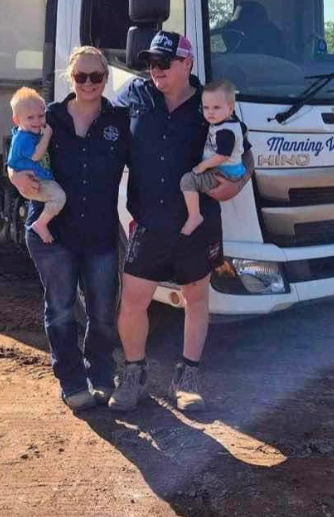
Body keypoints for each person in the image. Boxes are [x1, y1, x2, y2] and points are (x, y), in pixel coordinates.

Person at [108, 31, 253, 413]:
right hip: (149, 222)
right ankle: (134, 376)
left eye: (163, 63)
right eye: (151, 63)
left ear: (187, 64)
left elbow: (245, 151)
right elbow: (100, 123)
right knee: (133, 302)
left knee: (195, 298)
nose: (154, 70)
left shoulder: (211, 103)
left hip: (197, 222)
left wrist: (237, 184)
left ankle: (186, 379)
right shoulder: (135, 96)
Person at [9, 47, 130, 412]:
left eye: (97, 77)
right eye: (81, 76)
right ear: (70, 78)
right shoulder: (51, 118)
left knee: (104, 312)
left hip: (101, 233)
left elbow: (151, 158)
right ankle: (72, 381)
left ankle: (102, 376)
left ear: (106, 79)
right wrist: (13, 174)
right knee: (60, 309)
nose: (89, 83)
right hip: (54, 234)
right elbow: (17, 152)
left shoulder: (119, 121)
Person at [179, 79, 249, 235]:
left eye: (216, 108)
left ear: (230, 108)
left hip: (223, 171)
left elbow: (223, 155)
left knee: (187, 181)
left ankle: (194, 216)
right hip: (232, 168)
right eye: (206, 107)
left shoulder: (225, 131)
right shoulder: (229, 123)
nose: (210, 112)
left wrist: (202, 166)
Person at [6, 88, 66, 244]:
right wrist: (46, 135)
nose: (37, 121)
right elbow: (37, 155)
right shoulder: (23, 139)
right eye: (30, 118)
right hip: (35, 182)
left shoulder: (30, 132)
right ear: (16, 120)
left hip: (40, 179)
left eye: (41, 116)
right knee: (59, 198)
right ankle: (40, 224)